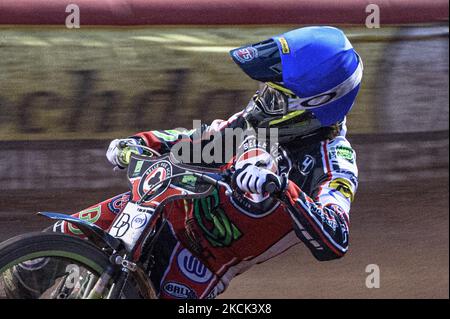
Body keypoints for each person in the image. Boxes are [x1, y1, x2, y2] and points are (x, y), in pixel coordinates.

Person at [4, 26, 362, 299]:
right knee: (37, 256)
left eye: (275, 96)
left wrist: (283, 188)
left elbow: (337, 238)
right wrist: (141, 142)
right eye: (266, 90)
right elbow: (204, 138)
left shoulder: (334, 163)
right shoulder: (258, 123)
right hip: (159, 208)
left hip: (199, 262)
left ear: (314, 105)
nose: (261, 101)